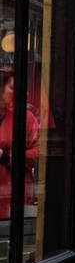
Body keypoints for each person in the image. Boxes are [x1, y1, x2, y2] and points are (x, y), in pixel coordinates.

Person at [0, 76, 39, 219]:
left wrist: (6, 155)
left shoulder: (26, 118)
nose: (15, 93)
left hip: (14, 196)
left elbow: (38, 154)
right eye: (11, 88)